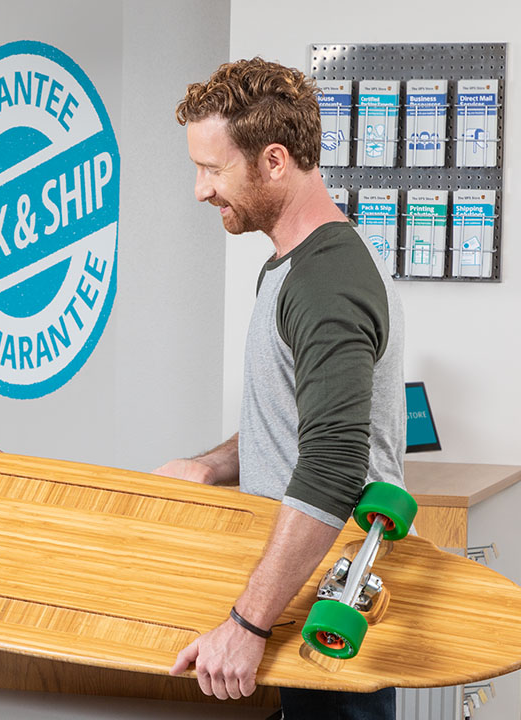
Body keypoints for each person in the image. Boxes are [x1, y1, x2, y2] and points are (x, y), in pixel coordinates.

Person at [156, 59, 405, 719]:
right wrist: (215, 465)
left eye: (213, 169)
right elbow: (303, 419)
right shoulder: (292, 267)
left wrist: (246, 624)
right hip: (298, 594)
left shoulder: (325, 283)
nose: (201, 191)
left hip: (328, 616)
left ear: (273, 161)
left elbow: (333, 463)